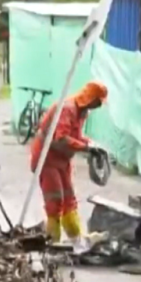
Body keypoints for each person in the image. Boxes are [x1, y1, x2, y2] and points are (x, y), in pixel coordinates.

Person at [29, 81, 108, 248]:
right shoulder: (68, 109)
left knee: (69, 200)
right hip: (47, 157)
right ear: (90, 99)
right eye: (98, 102)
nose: (98, 107)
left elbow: (75, 136)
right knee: (55, 201)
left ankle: (76, 240)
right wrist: (85, 147)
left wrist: (92, 145)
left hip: (62, 159)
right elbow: (61, 138)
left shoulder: (81, 112)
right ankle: (52, 244)